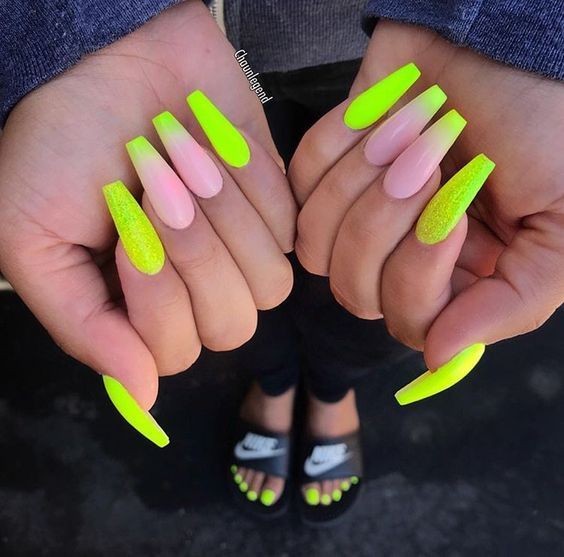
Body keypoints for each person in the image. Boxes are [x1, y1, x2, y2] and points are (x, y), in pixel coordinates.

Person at [0, 0, 562, 526]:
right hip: (192, 51)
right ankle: (274, 380)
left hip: (384, 36)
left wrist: (506, 30)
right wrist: (82, 30)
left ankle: (331, 387)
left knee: (397, 262)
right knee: (224, 267)